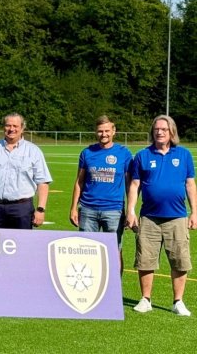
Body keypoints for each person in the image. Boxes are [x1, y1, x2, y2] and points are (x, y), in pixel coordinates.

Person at [127, 115, 197, 316]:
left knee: (179, 260)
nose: (159, 132)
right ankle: (145, 299)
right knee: (145, 259)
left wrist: (195, 212)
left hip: (177, 217)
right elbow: (135, 185)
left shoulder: (184, 155)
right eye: (156, 129)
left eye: (164, 129)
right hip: (149, 217)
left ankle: (178, 301)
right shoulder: (142, 155)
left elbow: (190, 184)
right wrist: (131, 211)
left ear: (171, 132)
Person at [69, 115, 132, 271]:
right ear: (95, 132)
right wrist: (73, 207)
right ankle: (91, 289)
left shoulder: (124, 153)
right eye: (100, 131)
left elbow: (130, 184)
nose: (104, 134)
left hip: (114, 211)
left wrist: (130, 211)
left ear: (114, 131)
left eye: (107, 131)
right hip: (88, 210)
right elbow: (79, 181)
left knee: (115, 251)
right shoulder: (87, 153)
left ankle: (115, 290)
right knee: (86, 251)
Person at [0, 113, 52, 229]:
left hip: (22, 208)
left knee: (22, 244)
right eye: (8, 125)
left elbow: (43, 182)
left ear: (22, 128)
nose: (11, 129)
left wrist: (41, 209)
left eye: (15, 126)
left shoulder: (34, 151)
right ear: (3, 127)